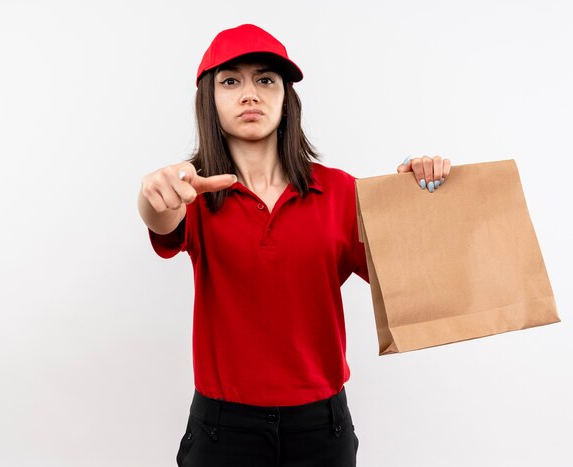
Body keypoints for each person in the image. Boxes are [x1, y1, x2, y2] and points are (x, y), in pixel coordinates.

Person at [137, 23, 451, 467]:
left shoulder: (341, 192)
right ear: (210, 99)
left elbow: (412, 272)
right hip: (223, 430)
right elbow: (160, 217)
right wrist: (154, 192)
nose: (250, 94)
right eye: (231, 81)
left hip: (321, 428)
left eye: (265, 80)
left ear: (288, 99)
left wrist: (418, 197)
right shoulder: (194, 192)